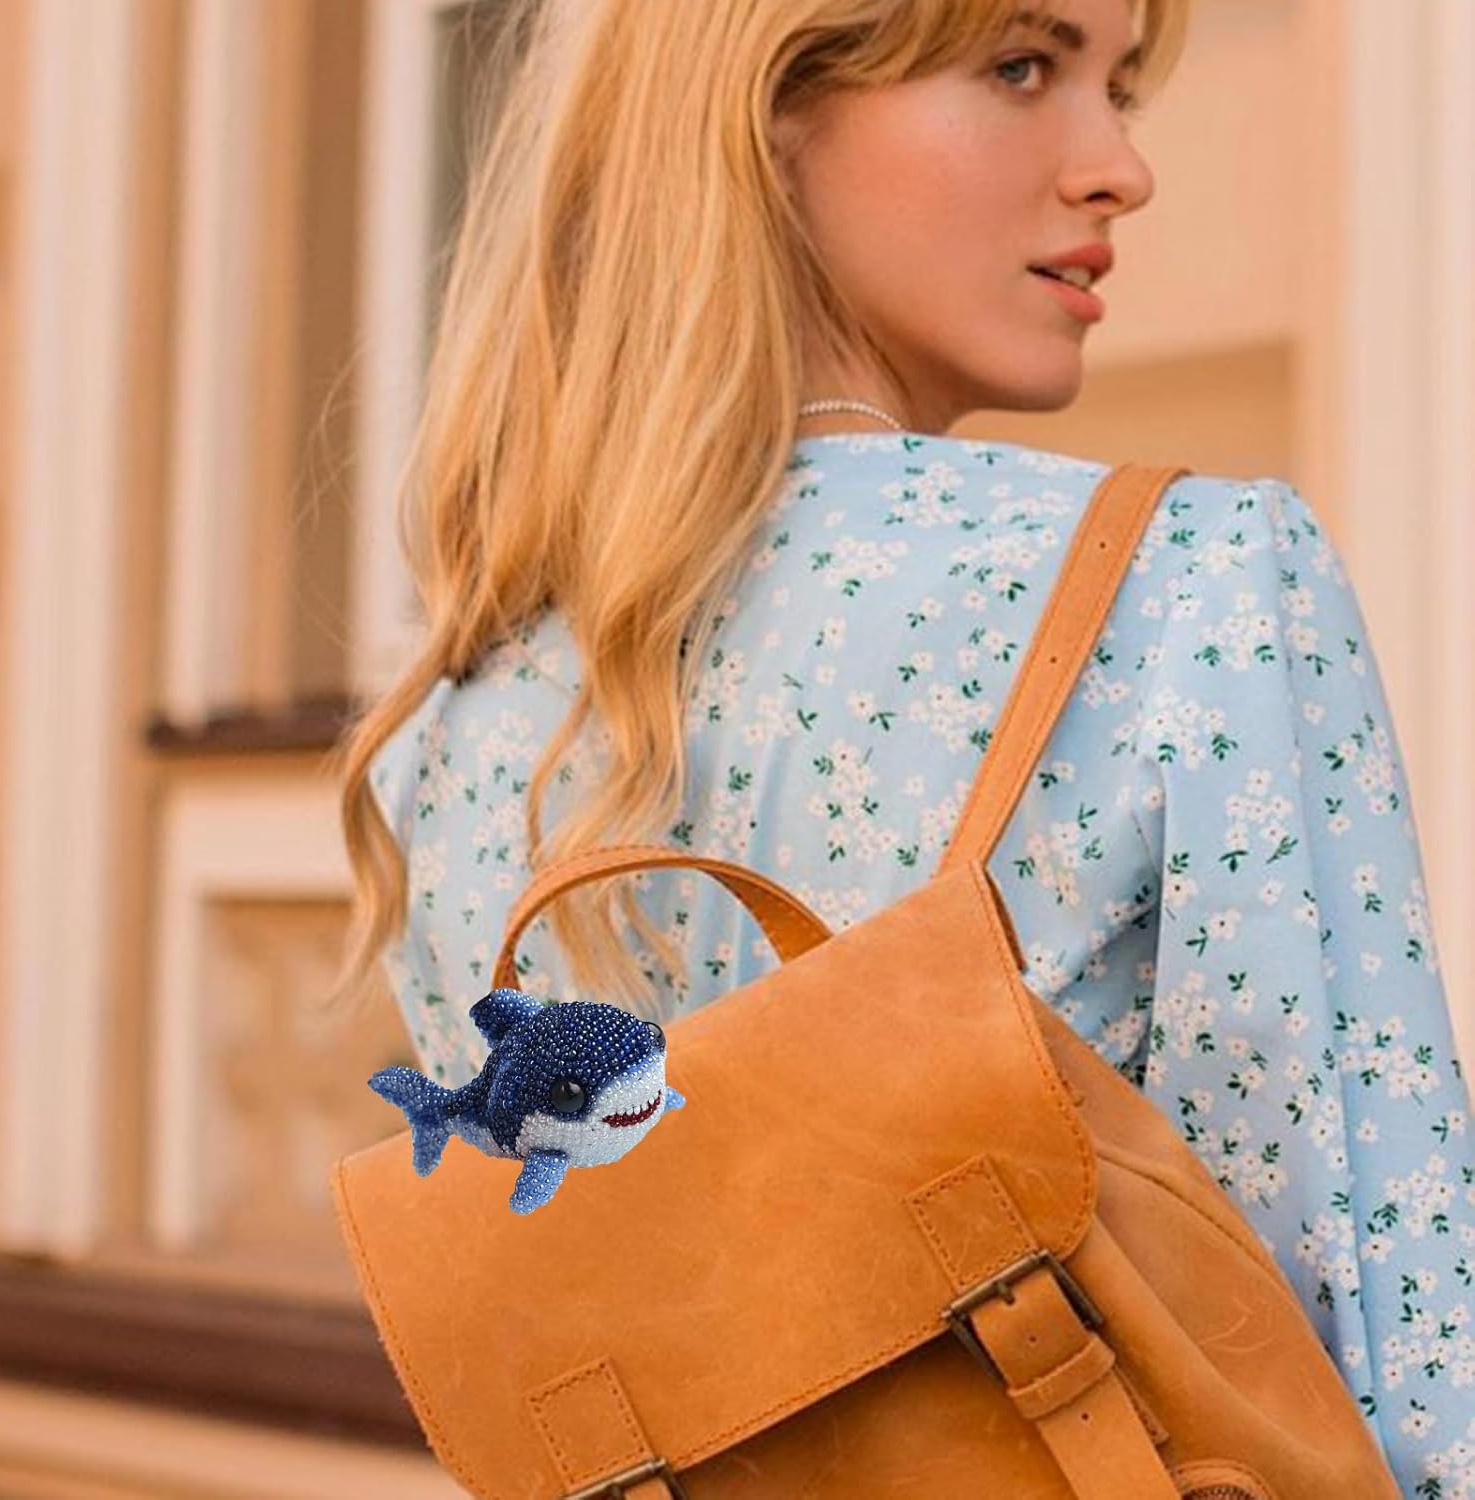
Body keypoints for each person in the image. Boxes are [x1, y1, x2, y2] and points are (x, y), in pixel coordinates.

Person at [330, 0, 1474, 1490]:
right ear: (770, 113)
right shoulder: (1188, 582)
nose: (1121, 168)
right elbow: (1389, 1339)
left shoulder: (450, 728)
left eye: (1119, 89)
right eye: (1021, 67)